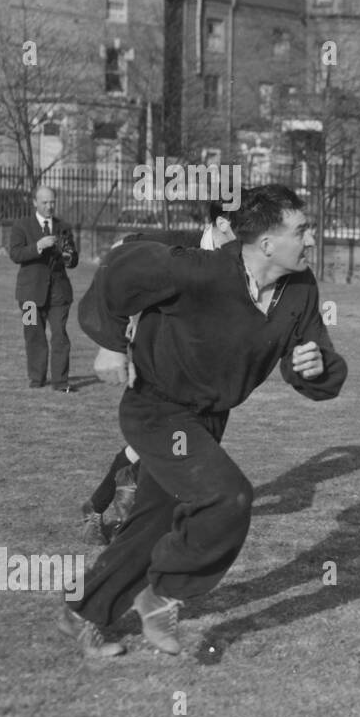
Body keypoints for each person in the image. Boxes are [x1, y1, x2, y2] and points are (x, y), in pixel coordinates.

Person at [58, 184, 347, 658]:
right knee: (226, 497)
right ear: (268, 243)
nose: (312, 239)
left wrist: (314, 368)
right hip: (156, 408)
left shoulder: (300, 288)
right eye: (302, 230)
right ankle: (162, 594)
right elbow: (120, 266)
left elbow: (310, 357)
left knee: (154, 521)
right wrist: (110, 342)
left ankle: (84, 611)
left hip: (208, 419)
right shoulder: (200, 270)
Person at [79, 201, 240, 545]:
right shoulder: (173, 241)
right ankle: (115, 508)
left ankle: (107, 502)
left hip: (201, 366)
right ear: (223, 223)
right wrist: (116, 335)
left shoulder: (241, 260)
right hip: (156, 356)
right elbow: (120, 255)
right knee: (157, 438)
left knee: (164, 443)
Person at [10, 185, 79, 393]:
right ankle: (37, 378)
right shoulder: (21, 226)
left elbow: (73, 259)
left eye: (52, 202)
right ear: (34, 203)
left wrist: (68, 257)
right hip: (29, 295)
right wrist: (39, 246)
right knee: (33, 334)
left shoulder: (64, 226)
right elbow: (15, 254)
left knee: (60, 336)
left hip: (59, 293)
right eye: (45, 202)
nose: (49, 207)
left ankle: (60, 382)